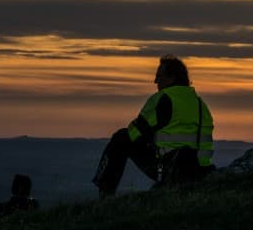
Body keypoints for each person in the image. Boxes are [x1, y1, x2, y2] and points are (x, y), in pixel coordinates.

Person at [92, 55, 214, 197]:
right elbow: (206, 144)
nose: (155, 81)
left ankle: (105, 193)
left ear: (171, 78)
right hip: (197, 170)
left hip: (167, 168)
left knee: (121, 137)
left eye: (159, 76)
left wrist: (148, 137)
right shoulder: (201, 104)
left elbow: (134, 133)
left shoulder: (162, 98)